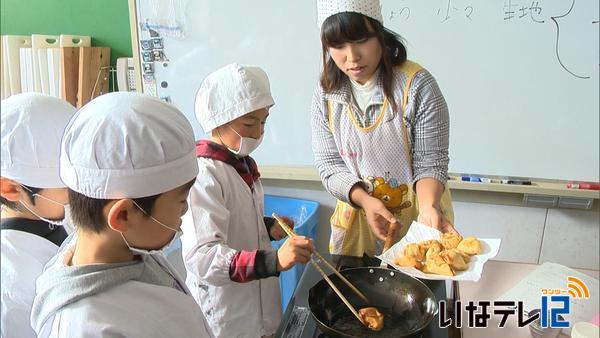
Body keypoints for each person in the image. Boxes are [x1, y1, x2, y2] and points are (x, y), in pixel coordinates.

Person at [29, 92, 214, 338]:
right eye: (181, 199)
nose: (185, 209)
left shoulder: (127, 248)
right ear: (123, 216)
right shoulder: (87, 327)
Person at [312, 0, 456, 258]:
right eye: (338, 46)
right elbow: (329, 165)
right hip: (356, 218)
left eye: (361, 40)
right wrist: (365, 201)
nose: (352, 57)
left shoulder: (416, 86)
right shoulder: (326, 93)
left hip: (418, 215)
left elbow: (430, 161)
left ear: (379, 34)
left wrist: (428, 208)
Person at [181, 63, 315, 338]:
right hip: (227, 315)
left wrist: (267, 227)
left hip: (258, 306)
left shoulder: (239, 164)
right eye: (249, 123)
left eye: (263, 122)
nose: (258, 132)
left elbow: (233, 220)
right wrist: (274, 261)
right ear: (218, 120)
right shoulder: (204, 175)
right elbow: (204, 258)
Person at [1, 93, 76, 338]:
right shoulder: (13, 284)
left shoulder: (51, 213)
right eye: (66, 187)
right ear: (10, 188)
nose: (78, 194)